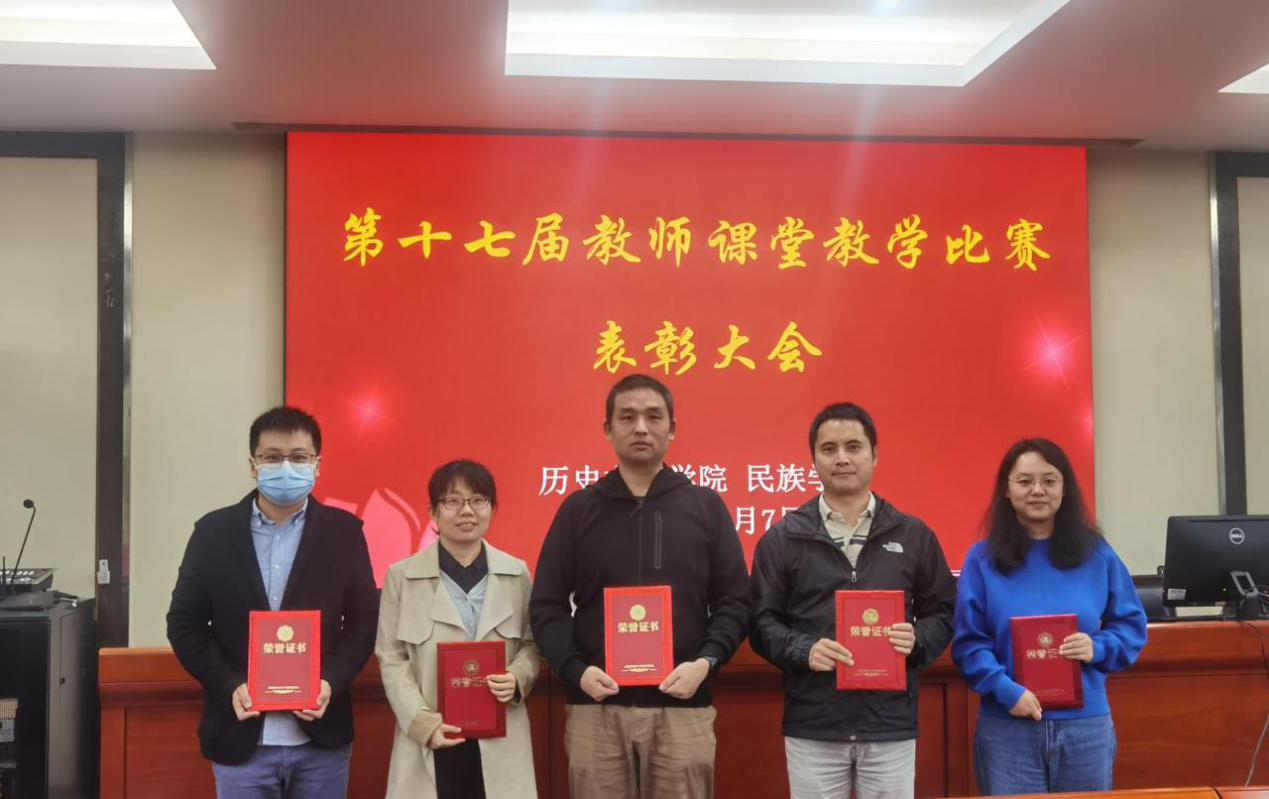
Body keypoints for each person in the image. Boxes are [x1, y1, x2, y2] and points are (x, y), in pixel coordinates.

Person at [529, 373, 752, 799]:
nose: (641, 428)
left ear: (672, 427)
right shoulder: (578, 509)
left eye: (654, 417)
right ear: (607, 429)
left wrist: (705, 662)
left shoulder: (705, 506)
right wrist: (576, 670)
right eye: (627, 417)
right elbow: (546, 605)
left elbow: (735, 601)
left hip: (683, 706)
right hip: (596, 707)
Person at [167, 406, 378, 799]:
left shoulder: (345, 533)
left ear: (317, 465)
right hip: (239, 737)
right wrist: (229, 684)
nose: (286, 467)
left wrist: (330, 681)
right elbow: (184, 624)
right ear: (253, 465)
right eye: (272, 457)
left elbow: (364, 622)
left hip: (322, 739)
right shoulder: (212, 533)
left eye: (298, 457)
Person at [750, 402, 956, 799]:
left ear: (874, 455)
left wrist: (917, 639)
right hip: (814, 723)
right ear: (813, 459)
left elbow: (943, 611)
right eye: (829, 449)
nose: (841, 458)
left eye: (853, 447)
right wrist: (804, 649)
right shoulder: (782, 538)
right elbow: (760, 622)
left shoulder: (914, 535)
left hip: (889, 723)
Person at [952, 438, 1147, 795]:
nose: (1037, 490)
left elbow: (1131, 627)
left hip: (1085, 728)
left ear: (1064, 488)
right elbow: (969, 644)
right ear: (1006, 490)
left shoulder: (1097, 554)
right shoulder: (981, 560)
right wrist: (1006, 692)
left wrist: (1098, 647)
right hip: (1008, 727)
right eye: (1025, 481)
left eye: (1049, 480)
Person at [376, 459, 540, 799]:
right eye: (453, 501)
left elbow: (531, 644)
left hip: (500, 735)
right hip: (431, 733)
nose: (467, 510)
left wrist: (518, 677)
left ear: (492, 508)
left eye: (478, 500)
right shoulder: (401, 576)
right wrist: (422, 722)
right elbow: (392, 658)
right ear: (433, 513)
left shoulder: (516, 573)